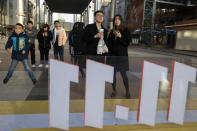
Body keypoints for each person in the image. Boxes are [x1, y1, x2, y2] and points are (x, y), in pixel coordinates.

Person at [107, 15, 131, 99]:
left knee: (124, 75)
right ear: (114, 21)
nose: (116, 21)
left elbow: (127, 43)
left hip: (121, 57)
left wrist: (121, 37)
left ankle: (127, 91)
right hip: (112, 57)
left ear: (121, 21)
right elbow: (108, 44)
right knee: (112, 76)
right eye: (115, 19)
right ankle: (114, 90)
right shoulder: (112, 31)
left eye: (118, 19)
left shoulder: (126, 30)